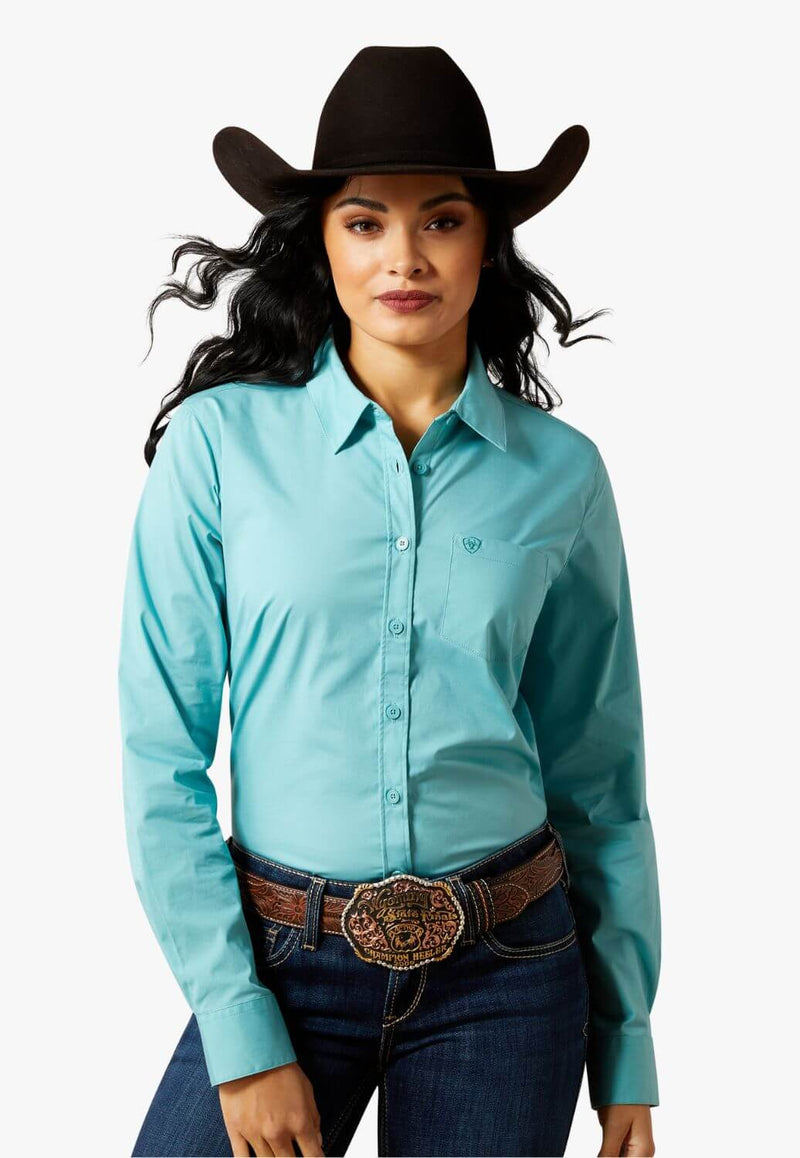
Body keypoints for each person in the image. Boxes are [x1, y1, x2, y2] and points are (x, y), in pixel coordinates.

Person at [118, 45, 661, 1158]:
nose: (403, 257)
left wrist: (627, 1045)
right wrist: (240, 1031)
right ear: (321, 241)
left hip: (507, 975)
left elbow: (599, 777)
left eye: (441, 220)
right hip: (280, 965)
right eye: (365, 221)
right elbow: (159, 757)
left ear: (486, 243)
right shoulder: (220, 447)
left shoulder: (561, 475)